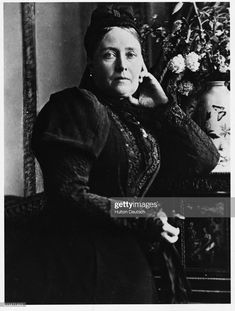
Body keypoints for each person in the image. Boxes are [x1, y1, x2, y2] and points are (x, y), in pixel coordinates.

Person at [30, 5, 219, 304]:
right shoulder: (76, 106)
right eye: (109, 55)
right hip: (86, 262)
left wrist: (164, 106)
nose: (122, 65)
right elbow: (69, 195)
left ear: (142, 63)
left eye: (131, 54)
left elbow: (205, 160)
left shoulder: (136, 116)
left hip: (130, 258)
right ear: (91, 63)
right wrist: (143, 214)